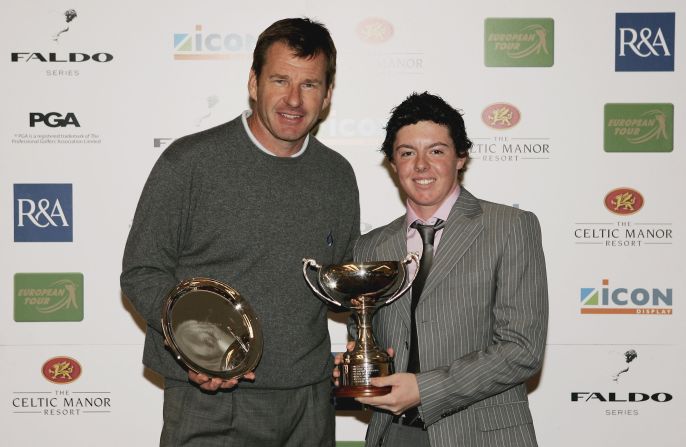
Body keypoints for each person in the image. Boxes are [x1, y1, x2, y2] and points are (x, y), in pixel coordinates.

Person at [121, 18, 360, 446]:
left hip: (308, 401)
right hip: (209, 398)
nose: (293, 99)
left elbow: (340, 289)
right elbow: (142, 271)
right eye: (280, 79)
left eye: (309, 85)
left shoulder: (337, 176)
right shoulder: (189, 163)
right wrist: (197, 350)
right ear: (253, 82)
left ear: (326, 96)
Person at [336, 92, 548, 446]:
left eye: (436, 151)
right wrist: (359, 370)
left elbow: (522, 349)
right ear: (392, 163)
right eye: (407, 153)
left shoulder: (510, 227)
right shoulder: (369, 246)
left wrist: (424, 389)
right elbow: (366, 340)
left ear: (461, 157)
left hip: (481, 435)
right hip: (394, 433)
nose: (421, 165)